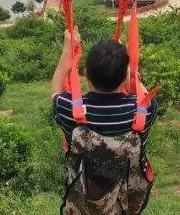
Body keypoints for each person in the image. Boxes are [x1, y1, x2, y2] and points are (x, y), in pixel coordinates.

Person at [50, 27, 157, 189]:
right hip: (127, 194)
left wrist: (68, 49)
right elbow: (142, 93)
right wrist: (126, 66)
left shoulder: (68, 109)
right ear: (124, 78)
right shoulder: (145, 110)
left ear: (86, 75)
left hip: (84, 196)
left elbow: (56, 90)